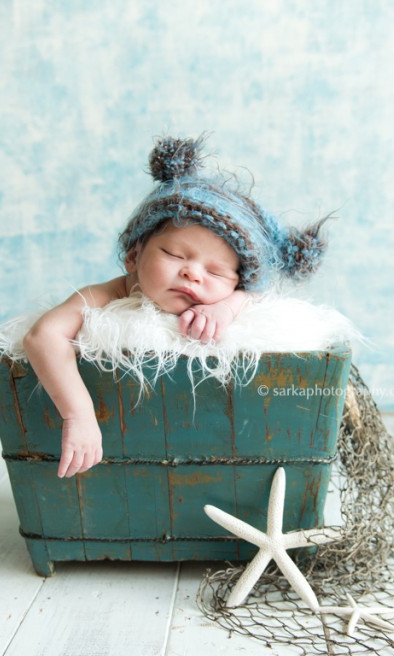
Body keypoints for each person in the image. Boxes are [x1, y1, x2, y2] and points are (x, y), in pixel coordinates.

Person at [23, 135, 328, 478]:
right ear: (133, 256)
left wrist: (227, 308)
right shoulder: (106, 297)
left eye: (215, 271)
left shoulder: (238, 303)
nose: (192, 273)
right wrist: (78, 415)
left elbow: (258, 297)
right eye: (174, 255)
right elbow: (42, 336)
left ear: (237, 283)